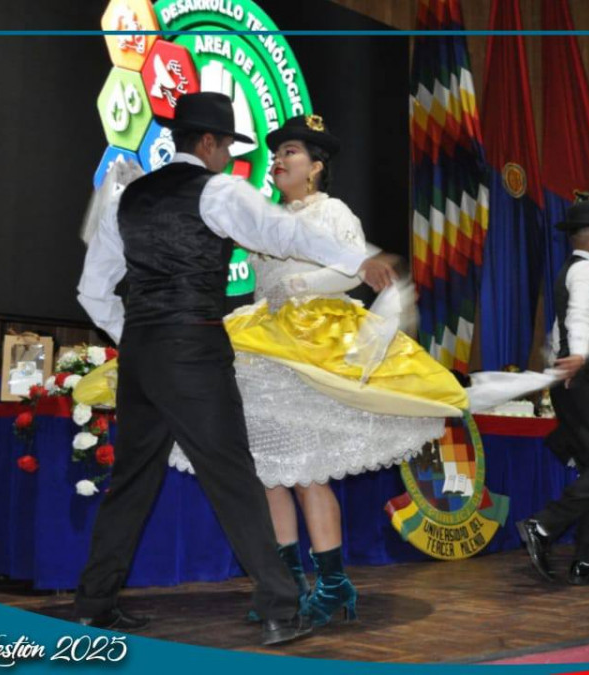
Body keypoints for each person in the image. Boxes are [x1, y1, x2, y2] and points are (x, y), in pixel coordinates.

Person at [75, 92, 397, 645]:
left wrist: (139, 335)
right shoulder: (218, 191)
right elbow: (284, 233)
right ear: (208, 142)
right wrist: (357, 261)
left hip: (142, 355)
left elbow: (91, 291)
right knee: (233, 478)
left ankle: (94, 606)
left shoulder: (125, 199)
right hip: (193, 348)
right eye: (226, 146)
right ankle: (279, 610)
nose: (228, 157)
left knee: (130, 483)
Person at [167, 114, 465, 626]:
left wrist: (301, 287)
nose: (278, 161)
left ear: (316, 166)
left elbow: (351, 270)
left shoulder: (333, 211)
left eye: (291, 153)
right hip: (264, 340)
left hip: (314, 340)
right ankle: (284, 585)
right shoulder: (264, 219)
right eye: (276, 154)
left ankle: (332, 583)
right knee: (268, 472)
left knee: (306, 472)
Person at [516, 198, 589, 586]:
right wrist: (578, 354)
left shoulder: (573, 270)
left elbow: (558, 325)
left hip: (579, 383)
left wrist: (559, 361)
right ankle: (543, 525)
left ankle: (588, 561)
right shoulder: (585, 270)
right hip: (588, 383)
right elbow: (578, 315)